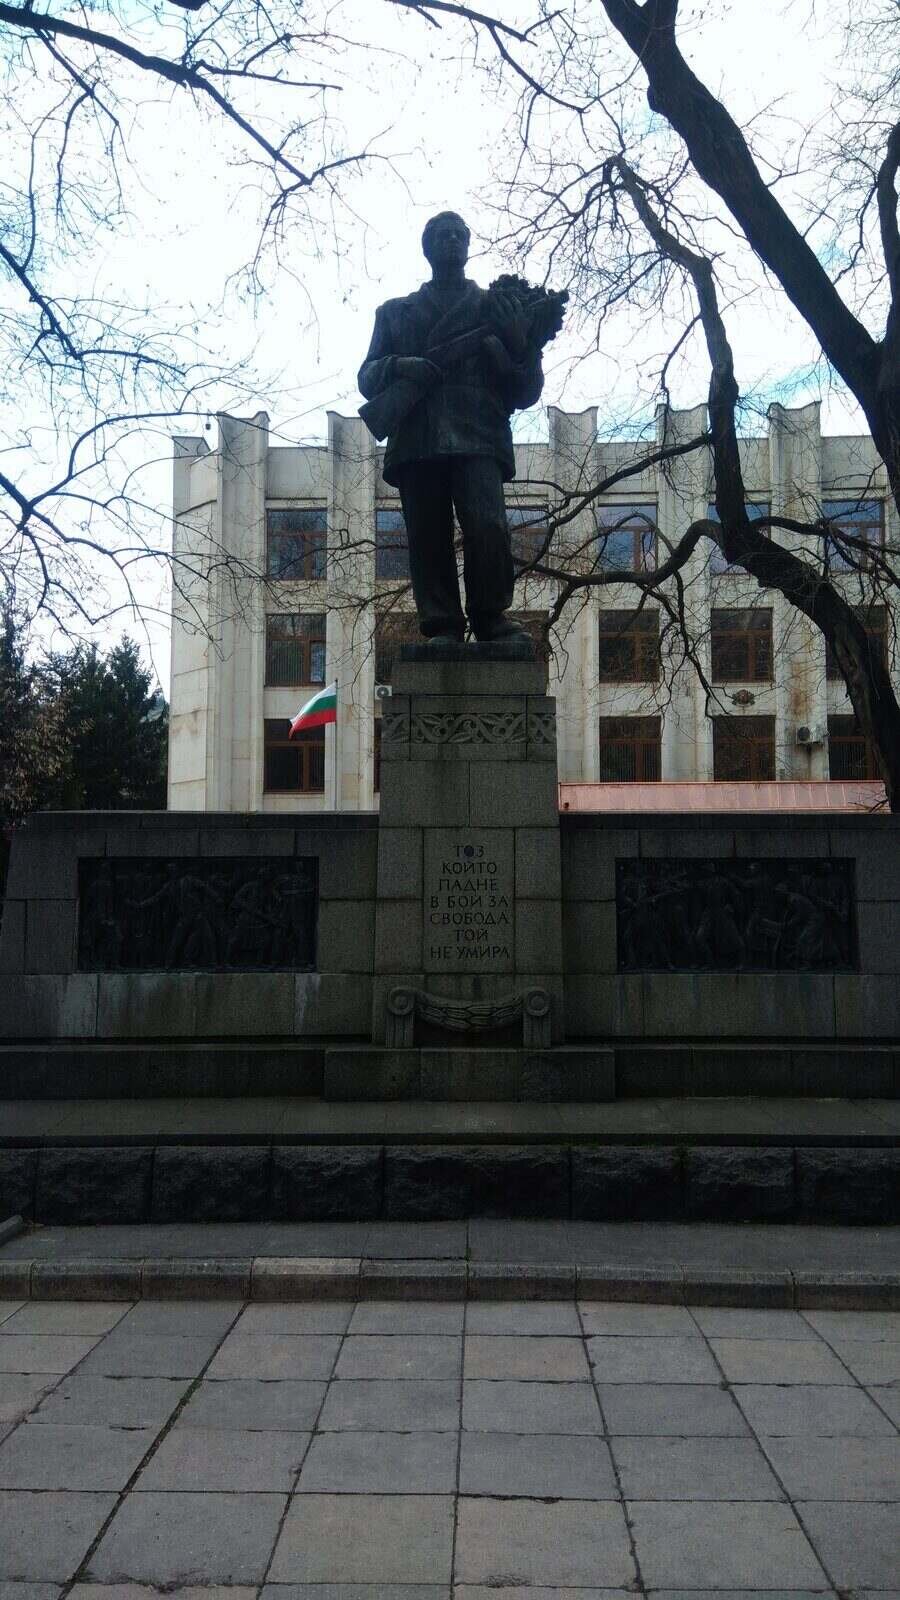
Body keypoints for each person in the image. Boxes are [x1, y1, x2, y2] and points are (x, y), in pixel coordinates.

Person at [358, 210, 545, 646]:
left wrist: (520, 343)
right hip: (418, 440)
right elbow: (367, 378)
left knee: (489, 527)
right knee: (428, 537)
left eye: (459, 234)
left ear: (468, 245)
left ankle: (490, 617)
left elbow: (526, 392)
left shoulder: (495, 307)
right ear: (427, 248)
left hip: (478, 435)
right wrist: (403, 365)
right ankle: (441, 623)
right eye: (443, 235)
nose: (452, 240)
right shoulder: (395, 313)